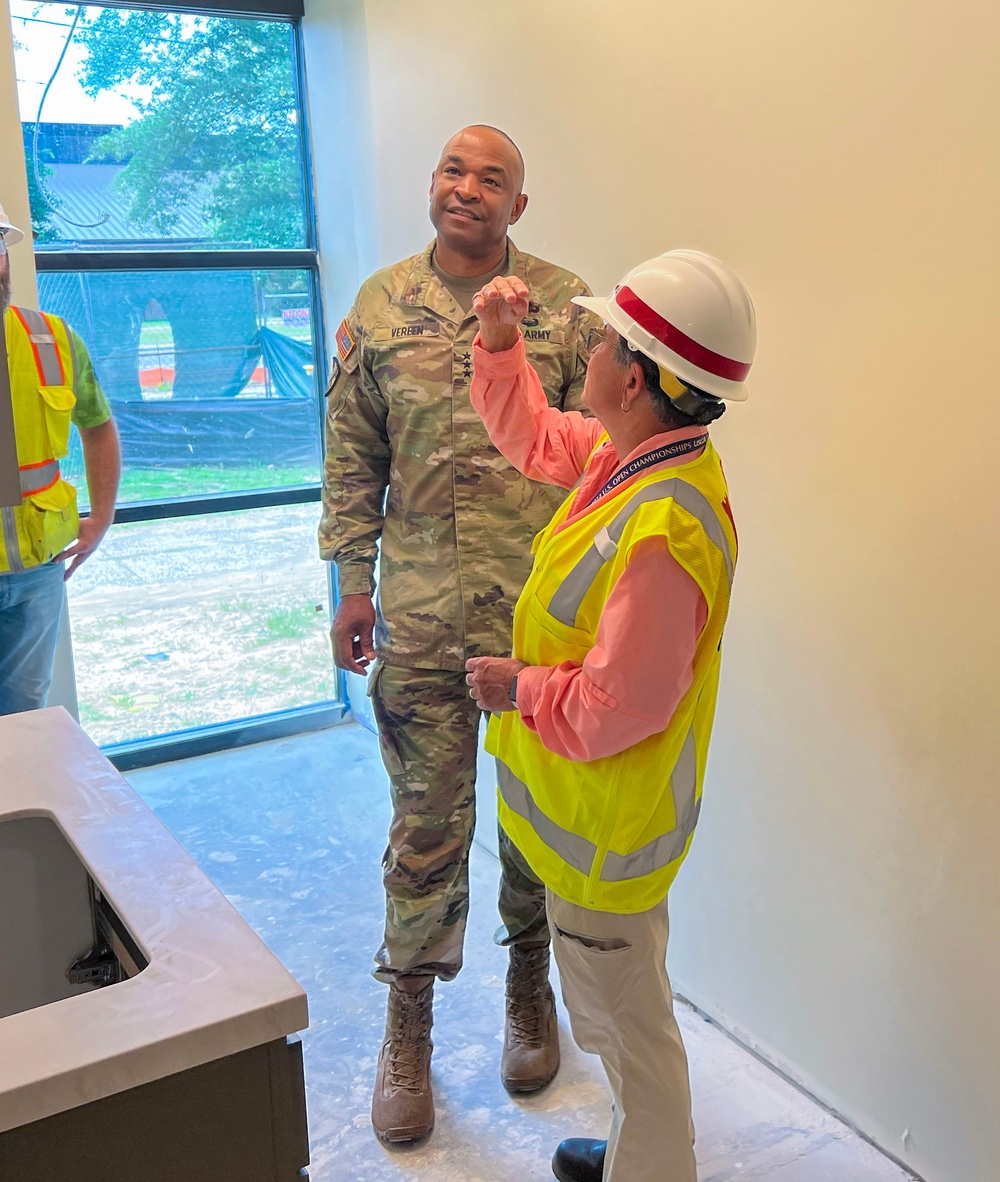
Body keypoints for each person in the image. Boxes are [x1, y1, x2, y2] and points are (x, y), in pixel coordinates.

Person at [319, 125, 600, 1144]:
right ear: (430, 186)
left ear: (517, 207)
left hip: (535, 624)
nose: (467, 188)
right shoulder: (379, 308)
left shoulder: (566, 308)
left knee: (530, 818)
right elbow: (352, 457)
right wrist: (352, 584)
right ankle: (410, 1024)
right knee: (425, 829)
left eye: (492, 178)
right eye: (452, 169)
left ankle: (530, 982)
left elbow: (599, 463)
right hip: (423, 619)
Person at [465, 250, 756, 1182]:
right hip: (586, 821)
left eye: (598, 338)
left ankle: (653, 1165)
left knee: (631, 1034)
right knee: (615, 1013)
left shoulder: (665, 527)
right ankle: (640, 1151)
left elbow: (615, 707)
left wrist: (517, 688)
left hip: (606, 831)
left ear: (632, 378)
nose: (583, 347)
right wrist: (501, 347)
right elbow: (533, 438)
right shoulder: (629, 456)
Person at [0, 204, 120, 716]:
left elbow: (98, 427)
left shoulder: (49, 337)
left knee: (28, 716)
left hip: (38, 571)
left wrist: (103, 516)